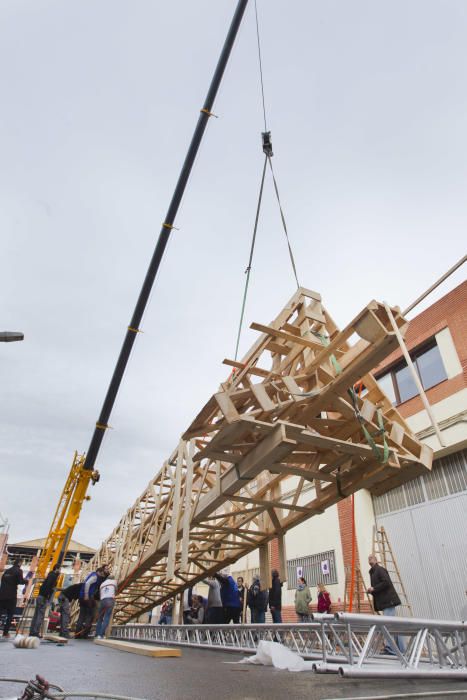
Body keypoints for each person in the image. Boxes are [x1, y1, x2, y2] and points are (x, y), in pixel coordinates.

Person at [367, 554, 405, 653]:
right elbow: (380, 586)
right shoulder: (372, 572)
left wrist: (374, 588)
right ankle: (401, 649)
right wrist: (372, 590)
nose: (369, 559)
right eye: (368, 558)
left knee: (387, 625)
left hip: (389, 601)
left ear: (376, 560)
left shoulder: (380, 570)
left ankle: (390, 648)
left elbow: (386, 582)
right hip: (386, 603)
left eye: (371, 558)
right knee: (394, 625)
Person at [75, 565, 110, 639]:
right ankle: (85, 634)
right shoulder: (95, 576)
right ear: (99, 572)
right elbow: (87, 584)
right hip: (88, 597)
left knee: (81, 616)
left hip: (82, 597)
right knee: (89, 616)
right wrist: (87, 595)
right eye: (102, 574)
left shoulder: (91, 574)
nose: (102, 576)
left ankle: (77, 634)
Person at [29, 564, 61, 637]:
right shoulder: (53, 576)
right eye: (60, 569)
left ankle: (32, 631)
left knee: (36, 615)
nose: (60, 571)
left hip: (40, 596)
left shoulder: (50, 575)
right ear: (57, 569)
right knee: (40, 615)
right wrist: (47, 597)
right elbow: (48, 586)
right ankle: (35, 632)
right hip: (43, 597)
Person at [0, 558, 26, 637]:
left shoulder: (7, 571)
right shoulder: (19, 570)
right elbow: (20, 581)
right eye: (22, 563)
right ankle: (5, 633)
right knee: (10, 614)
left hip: (2, 596)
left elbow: (3, 581)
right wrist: (27, 581)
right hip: (11, 596)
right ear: (19, 563)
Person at [95, 573, 117, 639]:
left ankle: (97, 634)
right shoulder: (114, 582)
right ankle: (101, 635)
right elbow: (116, 590)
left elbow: (100, 593)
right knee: (107, 617)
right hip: (110, 600)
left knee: (100, 618)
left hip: (102, 601)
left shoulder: (102, 584)